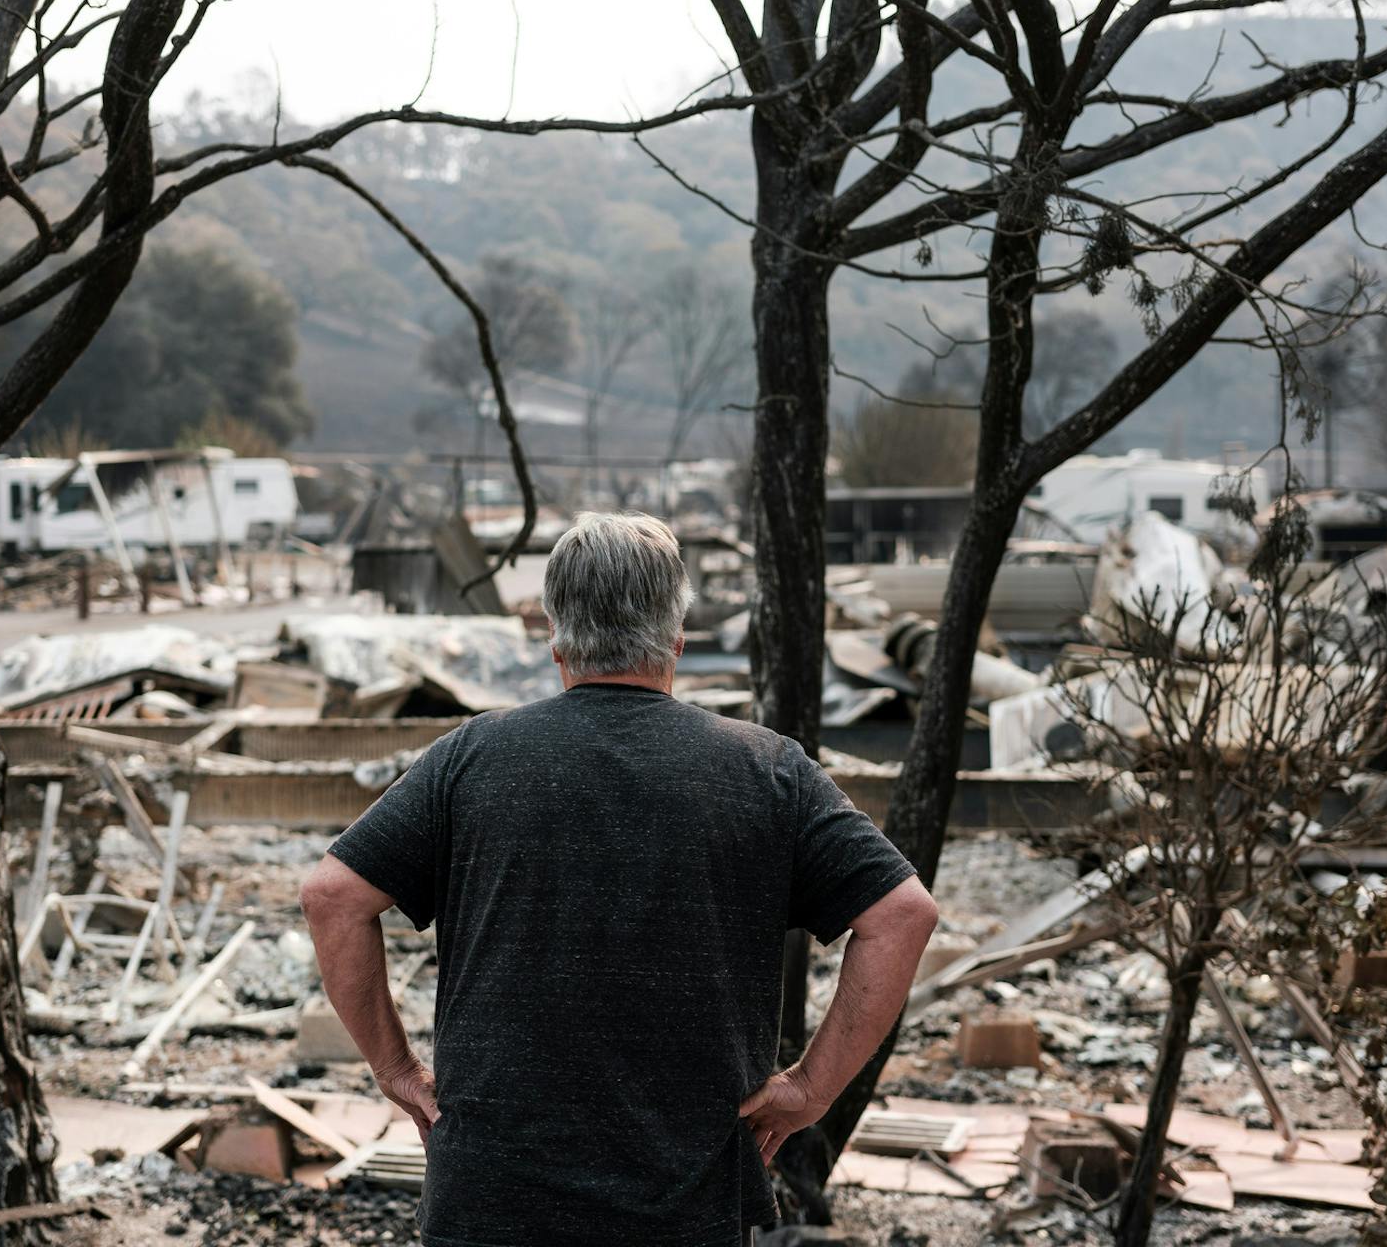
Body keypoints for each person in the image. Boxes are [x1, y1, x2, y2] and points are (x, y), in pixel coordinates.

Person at [301, 511, 937, 1246]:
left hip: (492, 1200)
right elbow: (902, 914)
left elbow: (332, 898)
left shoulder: (469, 759)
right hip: (684, 1205)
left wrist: (396, 1069)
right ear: (677, 636)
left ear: (555, 638)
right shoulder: (767, 772)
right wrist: (811, 1088)